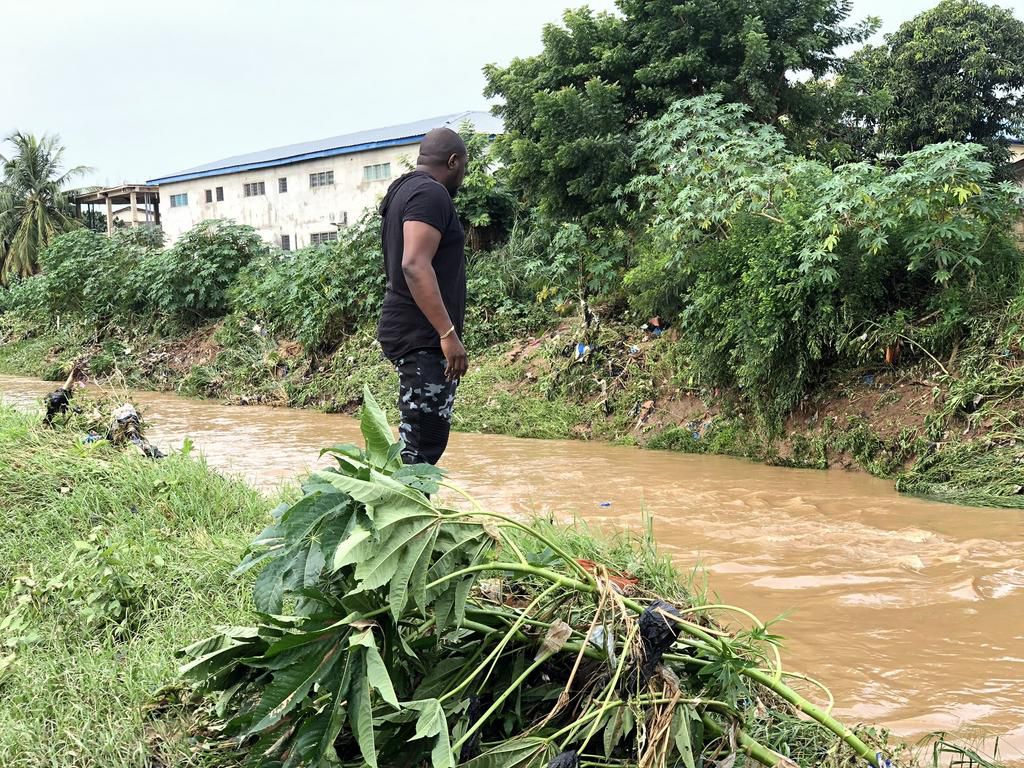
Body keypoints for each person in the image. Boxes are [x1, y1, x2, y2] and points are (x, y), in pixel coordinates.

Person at [377, 127, 469, 465]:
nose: (463, 174)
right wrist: (447, 334)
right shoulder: (431, 194)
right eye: (464, 166)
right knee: (420, 447)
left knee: (423, 441)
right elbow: (414, 265)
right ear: (453, 161)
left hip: (414, 332)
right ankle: (410, 517)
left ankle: (416, 515)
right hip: (422, 336)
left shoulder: (402, 190)